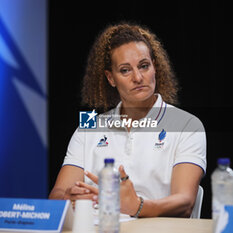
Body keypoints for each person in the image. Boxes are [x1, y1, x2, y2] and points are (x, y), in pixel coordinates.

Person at [49, 22, 206, 218]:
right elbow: (56, 194)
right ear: (110, 78)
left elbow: (184, 202)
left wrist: (136, 206)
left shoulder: (187, 124)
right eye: (125, 70)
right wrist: (68, 198)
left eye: (144, 66)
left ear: (155, 68)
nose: (138, 77)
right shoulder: (88, 124)